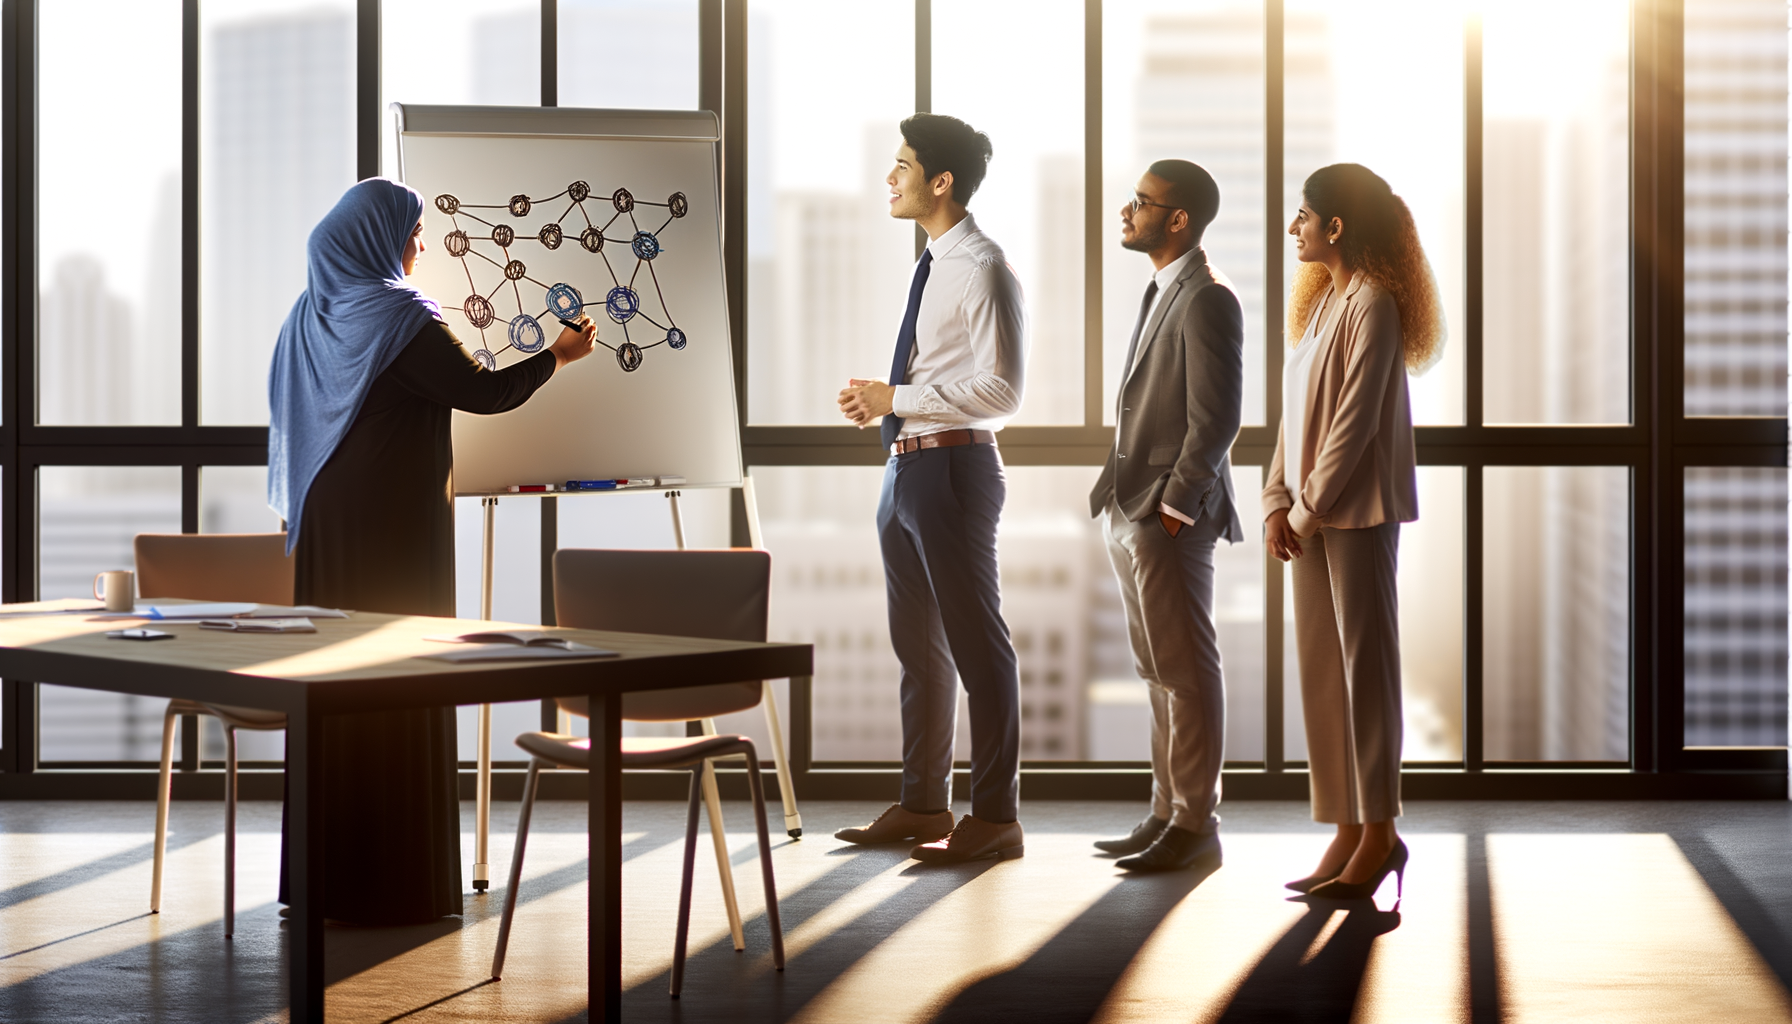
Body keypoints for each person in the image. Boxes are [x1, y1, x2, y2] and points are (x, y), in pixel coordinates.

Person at [266, 177, 597, 924]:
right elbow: (484, 393)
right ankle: (393, 885)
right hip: (391, 532)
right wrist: (560, 355)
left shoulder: (309, 316)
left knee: (334, 691)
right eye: (411, 230)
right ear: (377, 236)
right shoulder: (397, 315)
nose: (421, 243)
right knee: (397, 683)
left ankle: (326, 881)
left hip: (328, 525)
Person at [832, 113, 1028, 863]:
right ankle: (922, 805)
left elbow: (1003, 390)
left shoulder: (981, 266)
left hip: (952, 469)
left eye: (903, 166)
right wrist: (886, 404)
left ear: (940, 182)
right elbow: (939, 373)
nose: (891, 178)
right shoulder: (935, 262)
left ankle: (996, 817)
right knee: (918, 650)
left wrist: (898, 400)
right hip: (908, 468)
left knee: (980, 648)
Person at [1264, 163, 1442, 901]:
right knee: (1324, 678)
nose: (1294, 227)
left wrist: (1303, 509)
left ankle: (1380, 834)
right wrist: (1277, 498)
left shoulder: (1373, 305)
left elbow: (1354, 424)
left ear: (1335, 226)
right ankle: (1343, 826)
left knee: (1367, 677)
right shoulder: (1323, 306)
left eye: (1303, 216)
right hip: (1310, 515)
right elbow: (1292, 417)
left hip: (1355, 512)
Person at [1088, 160, 1243, 873]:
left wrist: (1173, 509)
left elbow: (1215, 422)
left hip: (1167, 515)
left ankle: (1195, 822)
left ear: (1178, 219)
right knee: (1157, 669)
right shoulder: (1163, 290)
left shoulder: (1208, 299)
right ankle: (1165, 811)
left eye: (1143, 202)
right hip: (1131, 506)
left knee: (1185, 668)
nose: (1128, 210)